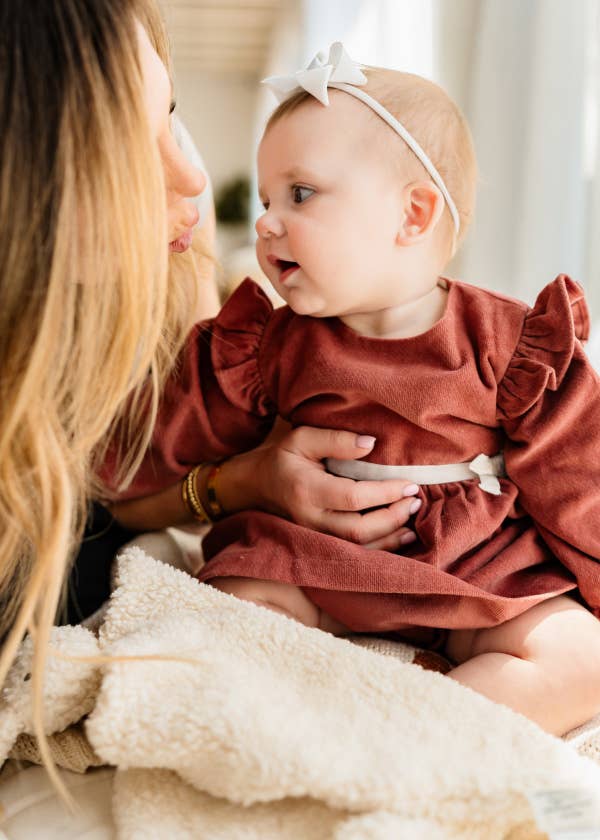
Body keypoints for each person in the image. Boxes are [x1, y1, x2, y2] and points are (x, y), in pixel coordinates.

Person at [114, 43, 600, 737]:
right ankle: (304, 724)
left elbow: (578, 473)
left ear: (413, 216)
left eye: (301, 194)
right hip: (311, 559)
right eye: (265, 199)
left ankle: (415, 730)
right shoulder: (267, 343)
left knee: (581, 658)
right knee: (232, 611)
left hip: (472, 566)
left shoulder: (511, 342)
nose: (266, 222)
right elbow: (161, 442)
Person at [1, 4, 422, 787]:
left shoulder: (152, 321)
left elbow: (95, 507)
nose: (192, 175)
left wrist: (237, 483)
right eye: (126, 148)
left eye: (171, 114)